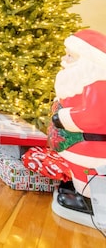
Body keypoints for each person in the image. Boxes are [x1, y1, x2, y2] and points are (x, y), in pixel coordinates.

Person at [52, 29, 106, 217]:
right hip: (81, 142)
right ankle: (81, 191)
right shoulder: (81, 81)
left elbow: (93, 117)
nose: (64, 59)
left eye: (70, 56)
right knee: (82, 170)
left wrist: (63, 117)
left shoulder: (97, 84)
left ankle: (90, 201)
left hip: (92, 145)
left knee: (89, 171)